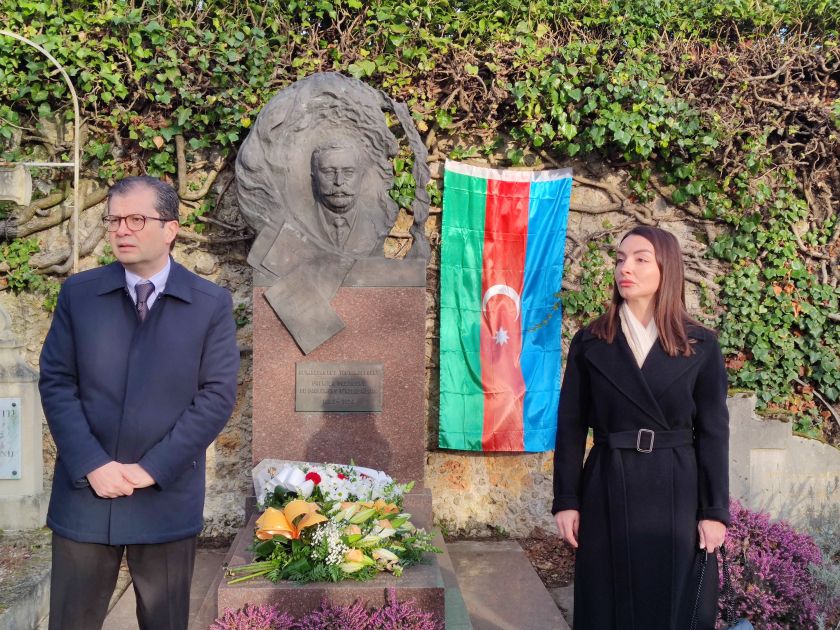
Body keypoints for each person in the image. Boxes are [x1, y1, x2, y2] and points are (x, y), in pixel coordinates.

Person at [39, 176, 240, 630]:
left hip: (165, 494)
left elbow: (215, 395)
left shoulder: (209, 303)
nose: (121, 230)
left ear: (170, 228)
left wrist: (153, 468)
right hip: (86, 493)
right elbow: (57, 382)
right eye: (113, 220)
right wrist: (92, 463)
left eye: (136, 220)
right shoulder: (80, 294)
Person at [553, 226, 729, 630]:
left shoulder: (700, 345)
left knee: (671, 603)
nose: (624, 268)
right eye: (619, 260)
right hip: (606, 483)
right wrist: (566, 499)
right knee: (605, 602)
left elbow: (714, 433)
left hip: (676, 489)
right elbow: (571, 425)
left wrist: (714, 511)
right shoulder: (590, 341)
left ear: (667, 268)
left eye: (639, 259)